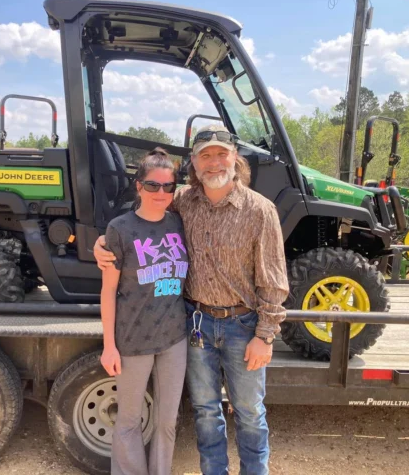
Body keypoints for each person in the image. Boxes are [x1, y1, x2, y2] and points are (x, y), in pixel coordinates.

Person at [95, 125, 289, 475]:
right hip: (196, 323)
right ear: (195, 166)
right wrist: (103, 244)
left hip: (243, 327)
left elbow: (274, 279)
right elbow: (141, 220)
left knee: (249, 411)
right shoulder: (183, 201)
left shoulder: (260, 210)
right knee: (205, 411)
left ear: (235, 159)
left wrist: (265, 335)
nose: (214, 163)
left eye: (221, 154)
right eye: (205, 156)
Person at [100, 148, 189, 475]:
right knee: (128, 420)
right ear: (138, 186)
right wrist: (109, 345)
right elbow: (108, 290)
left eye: (168, 187)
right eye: (153, 186)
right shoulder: (120, 228)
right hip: (133, 339)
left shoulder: (179, 223)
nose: (161, 193)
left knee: (167, 422)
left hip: (174, 339)